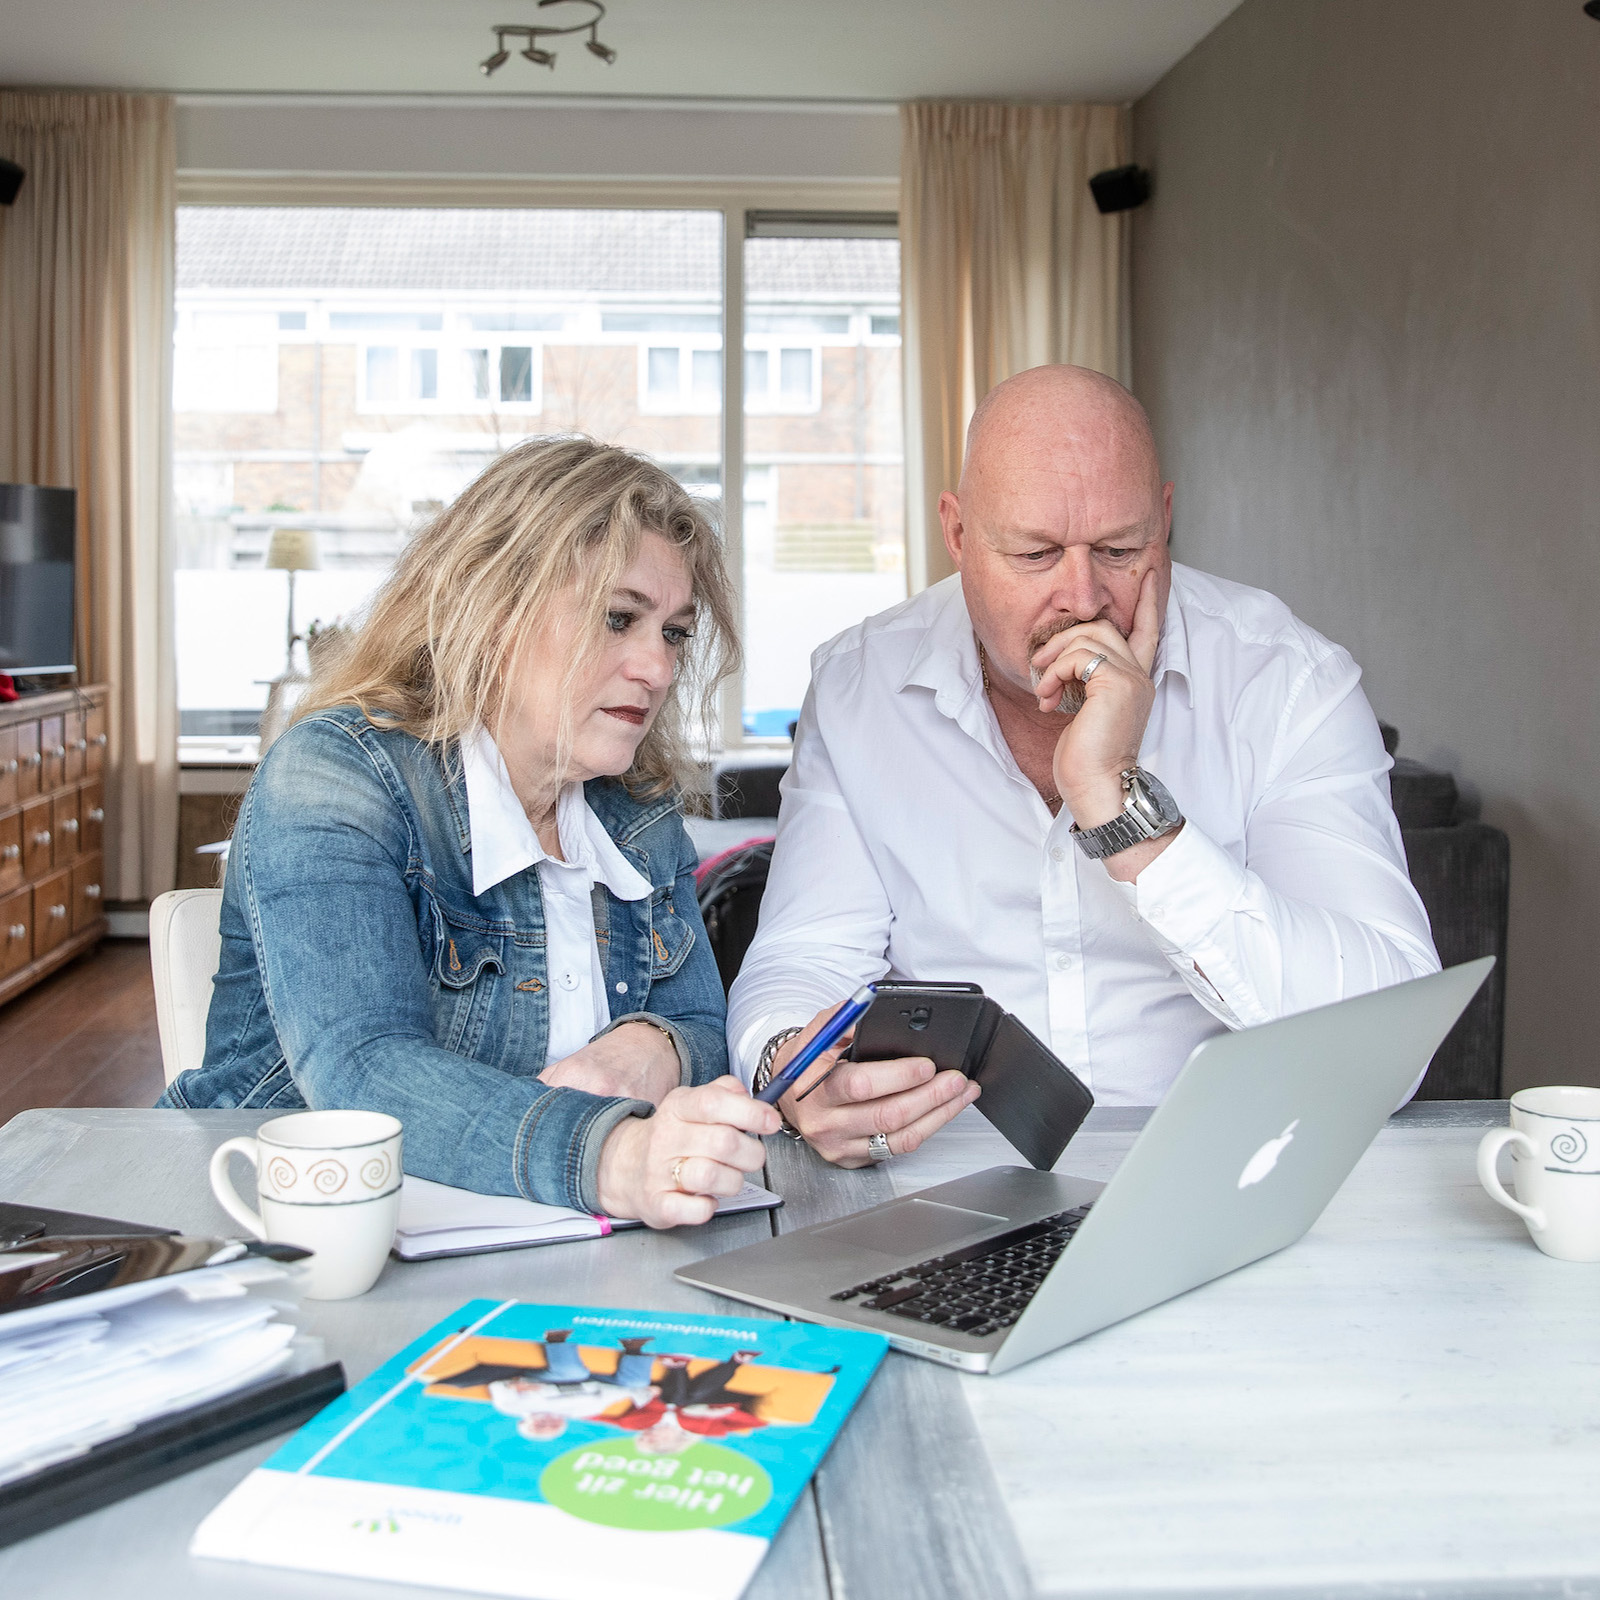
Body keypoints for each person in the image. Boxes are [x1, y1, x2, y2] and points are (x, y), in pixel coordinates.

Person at [728, 365, 1440, 1167]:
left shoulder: (1285, 683)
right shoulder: (861, 687)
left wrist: (1121, 808)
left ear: (1164, 521)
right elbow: (803, 957)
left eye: (1119, 548)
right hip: (947, 1185)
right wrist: (793, 1070)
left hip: (1231, 1178)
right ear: (957, 536)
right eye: (1035, 554)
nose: (1084, 597)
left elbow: (1393, 1041)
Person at [160, 437, 780, 1223]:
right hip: (270, 1233)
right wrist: (612, 1156)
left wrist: (653, 1048)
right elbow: (365, 1070)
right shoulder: (334, 776)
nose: (656, 668)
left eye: (673, 632)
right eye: (618, 618)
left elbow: (700, 1023)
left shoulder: (635, 810)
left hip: (533, 1243)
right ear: (492, 612)